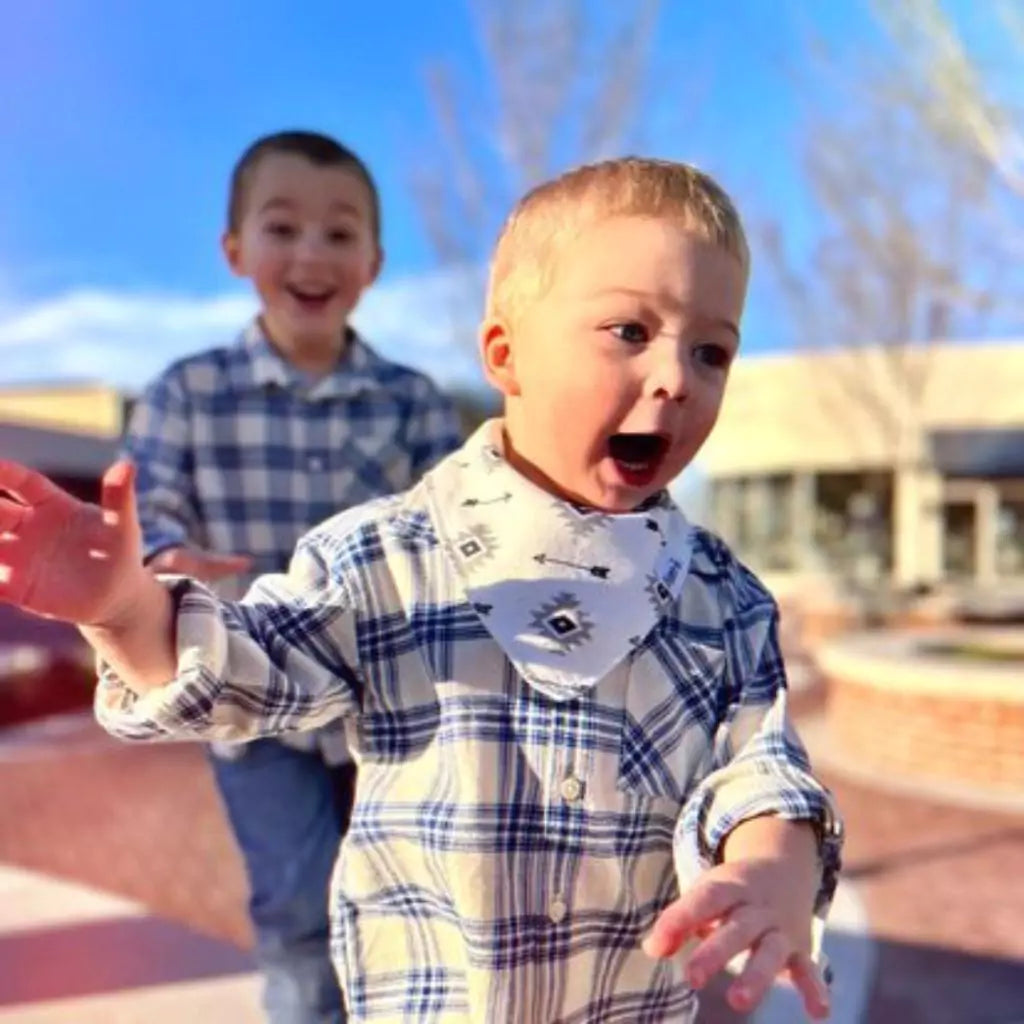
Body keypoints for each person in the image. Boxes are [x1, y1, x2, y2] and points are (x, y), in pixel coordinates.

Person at [0, 157, 843, 1024]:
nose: (676, 376)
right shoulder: (381, 556)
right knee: (292, 902)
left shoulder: (724, 599)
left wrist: (774, 855)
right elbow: (252, 668)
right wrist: (127, 611)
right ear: (506, 355)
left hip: (626, 1004)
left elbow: (757, 759)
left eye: (712, 351)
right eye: (629, 331)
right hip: (434, 999)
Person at [119, 129, 463, 1023]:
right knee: (296, 908)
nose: (312, 253)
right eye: (283, 228)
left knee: (410, 901)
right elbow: (150, 509)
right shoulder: (184, 394)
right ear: (235, 251)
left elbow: (460, 529)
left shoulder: (413, 402)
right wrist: (159, 561)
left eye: (340, 234)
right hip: (250, 708)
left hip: (388, 705)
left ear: (375, 262)